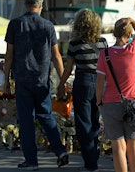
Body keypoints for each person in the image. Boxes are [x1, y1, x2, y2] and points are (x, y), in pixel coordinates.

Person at [3, 0, 69, 171]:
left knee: (26, 121)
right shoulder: (48, 26)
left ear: (26, 4)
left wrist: (6, 80)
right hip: (42, 80)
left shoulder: (15, 24)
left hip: (23, 79)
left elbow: (9, 56)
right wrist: (62, 82)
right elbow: (56, 56)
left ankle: (31, 161)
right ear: (41, 6)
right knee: (46, 117)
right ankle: (60, 151)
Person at [57, 9, 106, 172]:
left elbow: (68, 68)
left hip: (83, 82)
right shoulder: (103, 42)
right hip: (100, 82)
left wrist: (61, 84)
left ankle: (91, 162)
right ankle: (94, 156)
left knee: (83, 123)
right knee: (94, 121)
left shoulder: (74, 44)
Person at [95, 17, 135, 172]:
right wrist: (132, 21)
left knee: (118, 147)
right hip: (133, 105)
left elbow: (100, 82)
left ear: (114, 34)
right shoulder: (132, 49)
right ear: (129, 36)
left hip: (110, 104)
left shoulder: (105, 54)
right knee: (133, 147)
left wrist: (99, 103)